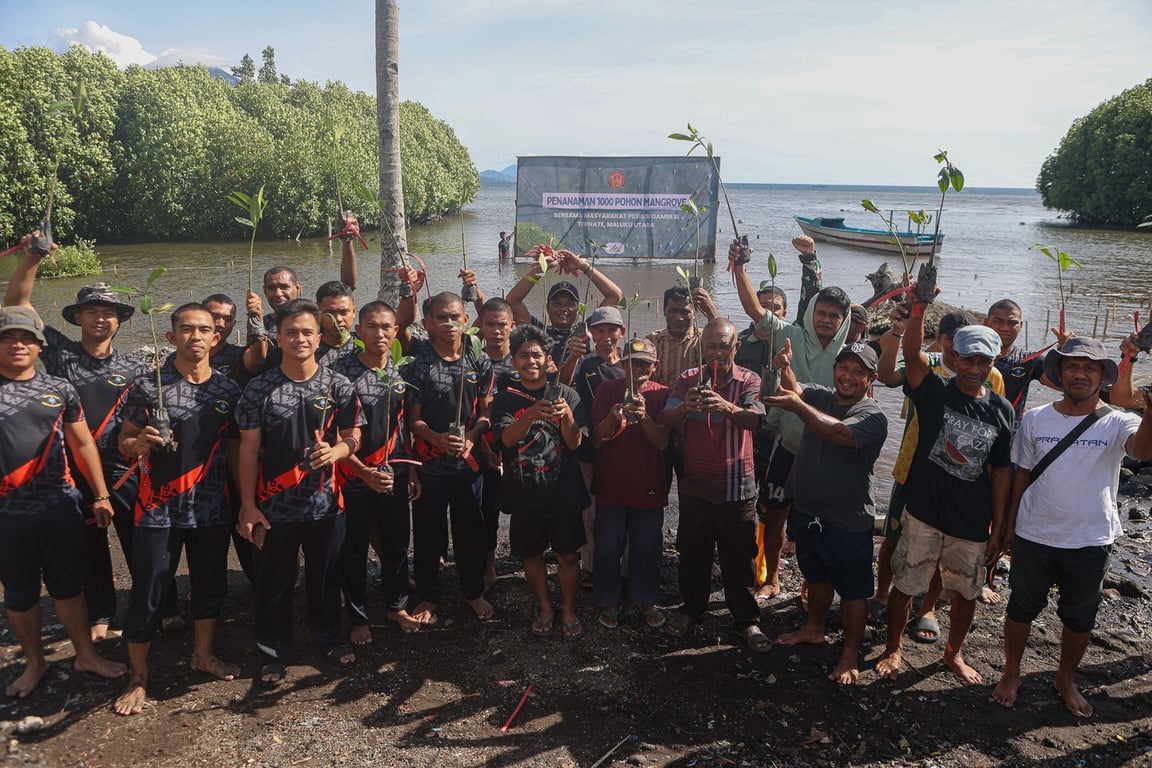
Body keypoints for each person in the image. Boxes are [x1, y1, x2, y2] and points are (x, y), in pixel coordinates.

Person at [991, 338, 1152, 716]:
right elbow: (1021, 475)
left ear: (1101, 376)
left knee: (1080, 618)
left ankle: (1066, 678)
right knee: (1020, 609)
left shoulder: (1118, 420)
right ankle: (1011, 673)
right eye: (1072, 367)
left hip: (1091, 538)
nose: (1080, 374)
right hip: (1034, 535)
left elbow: (1142, 451)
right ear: (1058, 373)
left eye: (1089, 368)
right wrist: (1007, 527)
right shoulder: (1036, 418)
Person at [5, 235, 148, 640]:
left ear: (119, 320)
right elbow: (17, 305)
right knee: (88, 547)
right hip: (72, 469)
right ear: (78, 318)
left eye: (108, 313)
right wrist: (31, 258)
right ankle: (101, 611)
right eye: (91, 312)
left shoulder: (134, 368)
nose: (100, 319)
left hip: (122, 469)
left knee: (139, 540)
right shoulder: (60, 354)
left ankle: (157, 606)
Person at [876, 294, 1013, 685]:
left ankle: (953, 654)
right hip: (923, 511)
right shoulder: (934, 391)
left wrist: (1000, 525)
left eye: (983, 361)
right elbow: (913, 354)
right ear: (954, 356)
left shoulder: (1001, 410)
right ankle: (893, 648)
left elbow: (1001, 471)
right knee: (906, 584)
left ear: (993, 363)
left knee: (966, 593)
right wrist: (917, 310)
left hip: (971, 519)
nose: (974, 368)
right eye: (967, 359)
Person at [113, 304, 242, 716]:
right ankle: (138, 677)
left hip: (210, 508)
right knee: (149, 593)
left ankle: (202, 655)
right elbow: (124, 443)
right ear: (171, 337)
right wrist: (141, 444)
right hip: (157, 508)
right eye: (187, 329)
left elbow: (239, 448)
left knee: (209, 585)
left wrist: (248, 503)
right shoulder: (148, 387)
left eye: (205, 329)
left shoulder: (227, 391)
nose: (196, 337)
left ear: (216, 338)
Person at [0, 305, 127, 697]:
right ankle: (35, 662)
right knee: (19, 593)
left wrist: (101, 493)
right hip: (7, 513)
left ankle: (86, 654)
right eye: (8, 339)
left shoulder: (59, 388)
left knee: (68, 586)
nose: (19, 345)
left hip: (59, 504)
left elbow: (83, 442)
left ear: (41, 347)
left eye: (27, 339)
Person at [235, 299, 362, 686]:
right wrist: (247, 506)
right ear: (278, 338)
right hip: (276, 506)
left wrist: (337, 451)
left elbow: (354, 434)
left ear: (320, 337)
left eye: (308, 331)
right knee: (274, 582)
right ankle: (274, 651)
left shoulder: (338, 383)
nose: (300, 339)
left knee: (325, 578)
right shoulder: (260, 389)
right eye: (291, 332)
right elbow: (248, 450)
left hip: (326, 504)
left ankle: (328, 638)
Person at [730, 236, 851, 604]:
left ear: (844, 321)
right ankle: (773, 577)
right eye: (821, 313)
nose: (826, 320)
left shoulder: (849, 356)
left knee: (820, 521)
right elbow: (753, 309)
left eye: (834, 316)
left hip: (826, 452)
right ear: (811, 312)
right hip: (788, 444)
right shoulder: (790, 334)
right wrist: (738, 268)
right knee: (775, 514)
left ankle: (813, 580)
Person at [762, 339, 888, 684]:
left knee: (854, 591)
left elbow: (836, 432)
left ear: (871, 379)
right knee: (815, 576)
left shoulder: (872, 416)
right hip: (808, 510)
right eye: (843, 368)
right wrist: (785, 364)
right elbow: (796, 389)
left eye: (858, 372)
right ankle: (814, 628)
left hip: (848, 519)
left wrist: (798, 407)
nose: (848, 376)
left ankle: (849, 653)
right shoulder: (822, 396)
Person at [660, 319, 769, 651]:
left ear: (736, 348)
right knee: (693, 553)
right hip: (695, 484)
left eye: (724, 345)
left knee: (740, 555)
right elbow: (667, 417)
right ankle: (692, 610)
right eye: (711, 346)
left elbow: (757, 419)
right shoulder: (688, 380)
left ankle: (747, 620)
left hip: (737, 485)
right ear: (702, 348)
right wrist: (684, 409)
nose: (718, 352)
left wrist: (727, 407)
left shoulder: (749, 380)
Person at [491, 326, 589, 639]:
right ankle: (545, 607)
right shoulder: (506, 398)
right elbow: (505, 439)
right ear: (513, 359)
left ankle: (569, 608)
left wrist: (567, 418)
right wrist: (531, 414)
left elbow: (576, 444)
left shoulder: (567, 394)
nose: (530, 361)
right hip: (524, 492)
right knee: (531, 555)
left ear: (548, 359)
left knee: (568, 555)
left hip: (564, 493)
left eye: (536, 355)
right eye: (523, 355)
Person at [404, 292, 495, 623]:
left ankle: (472, 591)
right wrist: (436, 438)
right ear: (427, 323)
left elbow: (487, 412)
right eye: (440, 317)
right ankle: (429, 596)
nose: (448, 323)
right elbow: (412, 419)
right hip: (430, 462)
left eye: (454, 317)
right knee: (428, 531)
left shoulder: (477, 361)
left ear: (465, 321)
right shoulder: (418, 364)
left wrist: (471, 438)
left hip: (467, 462)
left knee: (470, 529)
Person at [337, 301, 424, 639]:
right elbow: (334, 432)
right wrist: (361, 471)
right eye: (371, 326)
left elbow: (407, 428)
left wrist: (413, 470)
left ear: (396, 332)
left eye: (386, 327)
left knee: (397, 542)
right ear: (359, 332)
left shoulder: (403, 371)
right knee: (355, 548)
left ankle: (396, 605)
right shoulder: (342, 374)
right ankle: (358, 618)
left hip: (395, 472)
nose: (379, 333)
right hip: (354, 474)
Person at [590, 338, 671, 630]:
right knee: (607, 546)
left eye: (644, 364)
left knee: (647, 546)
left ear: (654, 366)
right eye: (632, 363)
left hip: (649, 484)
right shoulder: (606, 390)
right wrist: (613, 418)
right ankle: (608, 600)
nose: (638, 369)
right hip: (611, 483)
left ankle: (646, 599)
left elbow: (663, 442)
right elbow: (596, 439)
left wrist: (644, 417)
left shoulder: (663, 394)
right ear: (622, 365)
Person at [734, 282, 788, 603]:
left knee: (774, 509)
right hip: (745, 433)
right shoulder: (740, 343)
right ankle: (739, 562)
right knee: (741, 502)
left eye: (775, 308)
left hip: (779, 435)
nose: (767, 312)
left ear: (783, 313)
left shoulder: (792, 340)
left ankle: (771, 574)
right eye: (761, 305)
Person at [570, 306, 627, 585]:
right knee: (590, 512)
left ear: (622, 332)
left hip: (623, 451)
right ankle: (590, 567)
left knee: (619, 508)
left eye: (611, 330)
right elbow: (563, 384)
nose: (606, 337)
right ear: (591, 333)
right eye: (599, 330)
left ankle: (622, 564)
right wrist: (572, 356)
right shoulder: (584, 364)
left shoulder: (630, 364)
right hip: (590, 449)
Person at [505, 248, 623, 381]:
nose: (563, 309)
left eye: (569, 304)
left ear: (577, 309)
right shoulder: (538, 332)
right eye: (557, 303)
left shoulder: (586, 331)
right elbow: (512, 302)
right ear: (547, 308)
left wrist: (583, 266)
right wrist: (542, 267)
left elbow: (615, 295)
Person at [477, 297, 516, 593]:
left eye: (501, 324)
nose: (496, 331)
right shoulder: (474, 360)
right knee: (486, 510)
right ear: (480, 326)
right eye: (489, 324)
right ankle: (488, 563)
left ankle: (530, 559)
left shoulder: (523, 359)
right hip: (484, 446)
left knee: (525, 507)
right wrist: (487, 449)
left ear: (512, 326)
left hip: (519, 446)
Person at [984, 298, 1065, 420]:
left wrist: (1069, 353)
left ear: (1021, 326)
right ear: (985, 323)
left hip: (1011, 434)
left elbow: (1068, 386)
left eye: (1012, 323)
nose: (1005, 328)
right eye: (998, 321)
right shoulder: (969, 357)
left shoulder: (1029, 361)